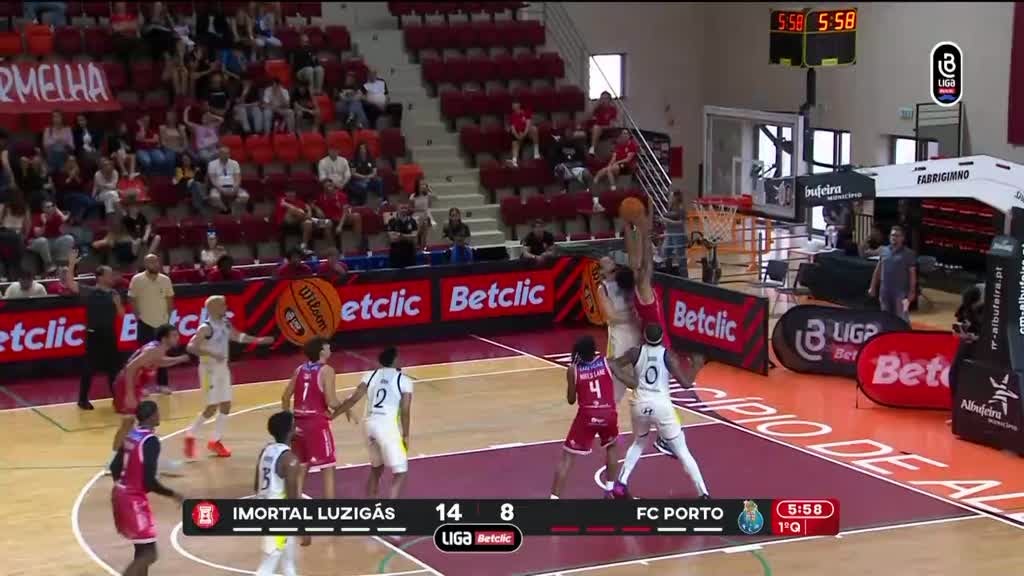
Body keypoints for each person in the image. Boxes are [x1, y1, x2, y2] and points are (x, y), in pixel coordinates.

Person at [609, 324, 709, 499]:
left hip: (639, 404)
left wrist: (629, 380)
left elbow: (613, 364)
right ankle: (703, 493)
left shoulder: (635, 352)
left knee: (639, 443)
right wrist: (697, 366)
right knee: (682, 450)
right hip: (661, 406)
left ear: (644, 336)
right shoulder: (668, 355)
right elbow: (686, 383)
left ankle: (621, 483)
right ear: (662, 337)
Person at [185, 295, 273, 459]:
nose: (226, 307)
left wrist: (259, 341)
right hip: (208, 370)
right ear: (213, 308)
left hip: (222, 368)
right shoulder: (205, 328)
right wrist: (211, 352)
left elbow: (238, 336)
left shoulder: (225, 323)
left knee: (226, 404)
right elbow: (191, 347)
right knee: (211, 408)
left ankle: (215, 441)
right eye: (223, 305)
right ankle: (190, 434)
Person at [110, 400, 185, 576]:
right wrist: (174, 494)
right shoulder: (150, 441)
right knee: (150, 554)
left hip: (120, 493)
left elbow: (114, 466)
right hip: (132, 499)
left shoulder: (132, 434)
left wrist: (121, 486)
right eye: (157, 413)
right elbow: (148, 481)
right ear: (152, 416)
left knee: (142, 550)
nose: (159, 416)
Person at [334, 347, 413, 499]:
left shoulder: (370, 375)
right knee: (400, 472)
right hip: (386, 427)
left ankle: (371, 505)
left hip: (368, 425)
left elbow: (353, 399)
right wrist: (406, 435)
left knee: (376, 469)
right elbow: (405, 410)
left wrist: (333, 415)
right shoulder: (404, 381)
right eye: (399, 357)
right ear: (395, 360)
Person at [550, 336, 621, 499]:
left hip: (587, 415)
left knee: (567, 457)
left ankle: (553, 500)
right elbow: (631, 382)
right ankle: (609, 491)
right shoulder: (608, 363)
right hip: (608, 413)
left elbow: (571, 400)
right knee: (612, 447)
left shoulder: (573, 369)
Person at [110, 325, 188, 465]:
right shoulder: (154, 350)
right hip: (126, 385)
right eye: (174, 335)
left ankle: (138, 460)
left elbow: (159, 362)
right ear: (165, 338)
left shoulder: (159, 350)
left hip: (134, 386)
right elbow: (130, 368)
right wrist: (129, 394)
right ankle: (115, 462)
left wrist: (179, 359)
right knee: (130, 423)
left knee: (137, 423)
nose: (178, 338)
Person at [281, 337, 344, 499]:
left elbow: (285, 397)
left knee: (301, 467)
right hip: (316, 424)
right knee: (328, 468)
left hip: (298, 424)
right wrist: (346, 408)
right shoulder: (327, 370)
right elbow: (331, 401)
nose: (330, 349)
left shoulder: (299, 369)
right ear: (322, 351)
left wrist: (288, 422)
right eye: (327, 347)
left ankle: (294, 509)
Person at [66, 251, 124, 410]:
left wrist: (117, 302)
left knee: (114, 369)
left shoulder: (114, 294)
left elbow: (121, 315)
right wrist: (72, 264)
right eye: (109, 275)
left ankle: (117, 398)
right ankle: (82, 399)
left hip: (109, 334)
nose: (112, 277)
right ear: (100, 277)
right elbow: (70, 283)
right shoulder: (89, 292)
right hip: (93, 334)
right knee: (89, 368)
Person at [254, 411, 309, 576]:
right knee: (267, 566)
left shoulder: (266, 451)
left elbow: (256, 485)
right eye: (294, 424)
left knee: (288, 563)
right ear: (291, 430)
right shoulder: (291, 460)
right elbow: (293, 500)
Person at [595, 256, 641, 403]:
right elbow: (612, 316)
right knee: (619, 373)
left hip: (637, 330)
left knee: (642, 371)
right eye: (605, 262)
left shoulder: (626, 279)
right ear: (601, 270)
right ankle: (610, 407)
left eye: (610, 260)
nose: (610, 261)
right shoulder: (603, 289)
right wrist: (634, 318)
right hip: (620, 333)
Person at [129, 254, 176, 394]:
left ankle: (162, 384)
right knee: (143, 357)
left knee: (161, 355)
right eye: (150, 262)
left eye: (155, 261)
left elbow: (170, 299)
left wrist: (167, 317)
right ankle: (141, 386)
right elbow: (132, 299)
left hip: (161, 324)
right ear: (145, 264)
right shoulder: (137, 280)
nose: (153, 264)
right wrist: (138, 316)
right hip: (145, 323)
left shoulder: (165, 280)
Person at [868, 225, 917, 323]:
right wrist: (872, 287)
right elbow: (878, 270)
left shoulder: (909, 254)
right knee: (886, 318)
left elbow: (912, 274)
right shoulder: (884, 250)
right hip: (884, 291)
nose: (894, 238)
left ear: (902, 238)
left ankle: (906, 336)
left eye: (897, 236)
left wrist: (912, 291)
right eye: (892, 235)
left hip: (901, 293)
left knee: (901, 318)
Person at [314, 180, 362, 253]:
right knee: (326, 224)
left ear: (333, 186)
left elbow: (345, 211)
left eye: (330, 185)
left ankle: (359, 245)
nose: (329, 188)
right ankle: (334, 250)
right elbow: (311, 203)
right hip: (328, 220)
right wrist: (317, 208)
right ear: (324, 189)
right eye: (326, 186)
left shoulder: (341, 195)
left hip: (341, 218)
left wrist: (340, 226)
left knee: (357, 216)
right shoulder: (320, 197)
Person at [29, 199, 75, 273]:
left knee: (68, 238)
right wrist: (45, 223)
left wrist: (61, 216)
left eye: (52, 207)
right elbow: (38, 234)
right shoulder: (37, 217)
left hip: (52, 241)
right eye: (47, 207)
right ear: (43, 209)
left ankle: (62, 265)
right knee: (43, 241)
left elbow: (64, 231)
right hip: (36, 242)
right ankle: (49, 265)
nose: (50, 209)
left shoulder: (57, 217)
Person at [548, 125, 593, 199]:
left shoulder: (578, 145)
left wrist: (576, 164)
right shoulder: (557, 145)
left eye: (571, 133)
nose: (569, 134)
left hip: (575, 167)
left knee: (587, 173)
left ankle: (588, 191)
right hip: (564, 168)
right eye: (567, 132)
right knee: (559, 168)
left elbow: (582, 161)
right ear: (564, 134)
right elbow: (553, 160)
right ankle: (563, 190)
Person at [206, 145, 249, 214]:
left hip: (232, 186)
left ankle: (233, 207)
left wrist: (235, 187)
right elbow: (213, 180)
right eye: (223, 153)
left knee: (245, 196)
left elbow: (237, 178)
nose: (226, 155)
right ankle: (225, 210)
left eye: (227, 153)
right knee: (214, 197)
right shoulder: (212, 164)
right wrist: (220, 189)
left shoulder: (235, 163)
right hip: (218, 187)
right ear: (219, 154)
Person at [507, 100, 540, 167]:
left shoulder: (526, 113)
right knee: (515, 143)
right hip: (518, 134)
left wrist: (524, 134)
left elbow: (528, 124)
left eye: (515, 104)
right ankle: (514, 160)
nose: (514, 106)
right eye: (513, 105)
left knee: (534, 129)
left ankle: (536, 151)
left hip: (526, 133)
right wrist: (518, 136)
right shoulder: (512, 116)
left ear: (519, 105)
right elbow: (513, 128)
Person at [386, 204, 418, 269]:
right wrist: (408, 237)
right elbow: (392, 239)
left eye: (405, 208)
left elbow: (414, 238)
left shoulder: (413, 221)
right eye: (402, 208)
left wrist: (400, 235)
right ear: (397, 209)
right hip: (396, 253)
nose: (404, 210)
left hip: (410, 253)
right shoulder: (391, 221)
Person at [410, 179, 434, 249]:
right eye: (421, 184)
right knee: (416, 233)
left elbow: (430, 205)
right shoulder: (413, 196)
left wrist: (429, 189)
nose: (423, 186)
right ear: (417, 186)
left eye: (425, 185)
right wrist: (420, 210)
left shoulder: (428, 196)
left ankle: (423, 247)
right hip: (416, 216)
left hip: (425, 215)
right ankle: (415, 246)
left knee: (424, 234)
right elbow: (410, 209)